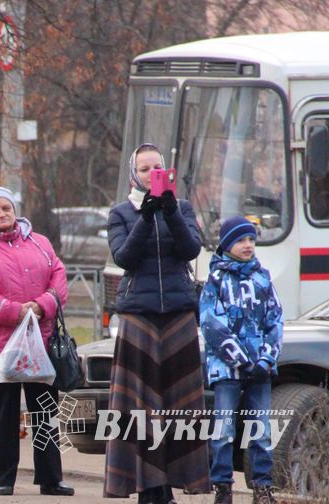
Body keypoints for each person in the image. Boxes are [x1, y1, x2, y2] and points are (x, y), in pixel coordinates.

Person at [104, 143, 210, 503]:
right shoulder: (121, 213)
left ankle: (173, 485)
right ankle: (149, 487)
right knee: (141, 409)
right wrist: (146, 218)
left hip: (179, 314)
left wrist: (170, 213)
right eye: (145, 168)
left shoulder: (181, 207)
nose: (151, 174)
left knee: (179, 406)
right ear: (134, 174)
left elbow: (191, 250)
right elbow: (124, 258)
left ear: (167, 172)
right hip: (139, 316)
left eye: (157, 168)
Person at [0, 187, 74, 497]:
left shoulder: (41, 243)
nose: (1, 214)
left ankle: (51, 477)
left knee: (45, 412)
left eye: (6, 208)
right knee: (1, 415)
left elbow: (58, 278)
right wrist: (15, 311)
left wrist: (41, 306)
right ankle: (1, 477)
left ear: (14, 210)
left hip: (41, 341)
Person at [200, 217, 283, 504]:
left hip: (260, 370)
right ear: (226, 244)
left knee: (260, 430)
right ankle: (222, 487)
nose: (248, 245)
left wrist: (265, 359)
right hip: (227, 370)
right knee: (223, 430)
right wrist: (240, 360)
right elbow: (212, 325)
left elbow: (275, 321)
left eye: (251, 239)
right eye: (240, 240)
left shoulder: (263, 278)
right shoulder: (216, 281)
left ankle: (262, 487)